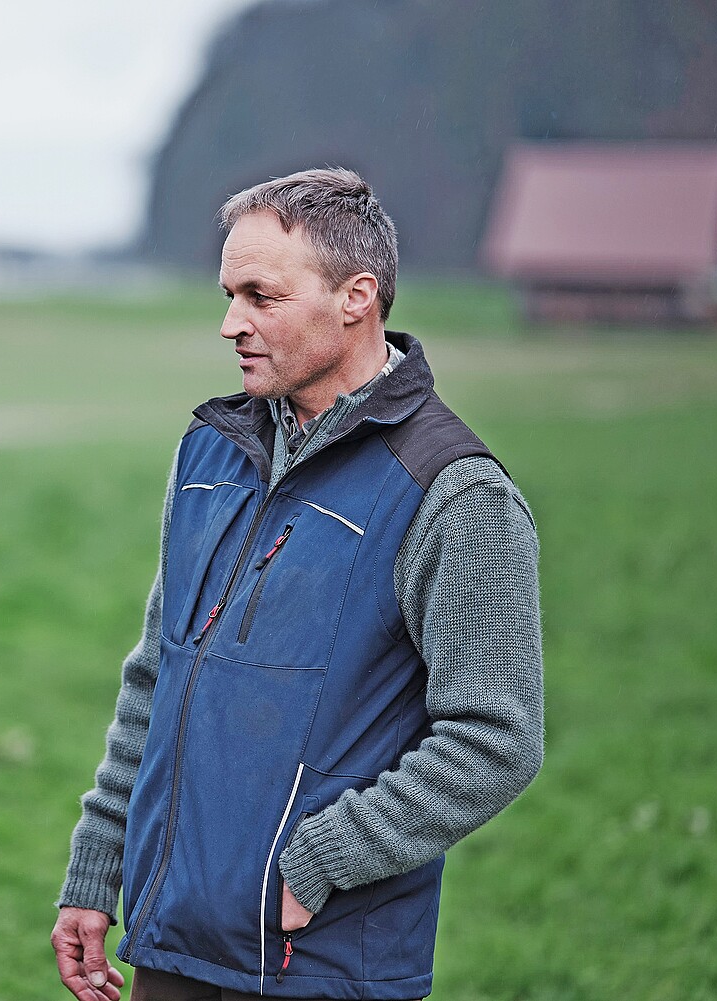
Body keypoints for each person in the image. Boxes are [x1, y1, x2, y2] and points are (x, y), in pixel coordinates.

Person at [51, 168, 543, 1001]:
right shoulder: (208, 455)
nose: (230, 323)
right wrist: (97, 866)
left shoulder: (454, 493)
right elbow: (157, 676)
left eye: (260, 297)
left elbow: (496, 738)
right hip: (172, 941)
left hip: (318, 958)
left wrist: (323, 860)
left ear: (357, 297)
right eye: (228, 294)